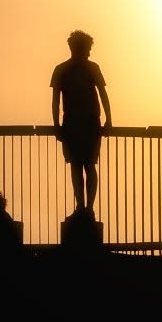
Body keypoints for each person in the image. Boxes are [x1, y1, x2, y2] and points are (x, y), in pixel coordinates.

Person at [50, 30, 112, 218]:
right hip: (88, 123)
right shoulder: (91, 67)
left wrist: (56, 126)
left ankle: (82, 207)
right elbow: (102, 95)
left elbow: (55, 101)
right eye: (87, 48)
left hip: (73, 124)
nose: (89, 52)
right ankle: (86, 208)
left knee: (77, 166)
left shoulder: (61, 69)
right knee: (87, 165)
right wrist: (109, 119)